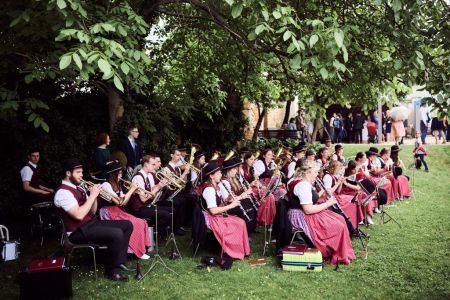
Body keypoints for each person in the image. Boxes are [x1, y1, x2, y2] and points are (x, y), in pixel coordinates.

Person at [54, 158, 133, 282]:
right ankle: (112, 271)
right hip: (76, 232)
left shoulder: (79, 188)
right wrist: (92, 196)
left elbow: (92, 211)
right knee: (116, 233)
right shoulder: (63, 192)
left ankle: (119, 262)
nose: (81, 175)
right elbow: (78, 215)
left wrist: (95, 197)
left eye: (81, 172)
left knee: (127, 225)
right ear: (68, 173)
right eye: (78, 172)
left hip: (90, 224)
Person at [287, 160, 355, 265]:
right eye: (315, 172)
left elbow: (310, 200)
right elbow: (308, 209)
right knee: (338, 225)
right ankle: (336, 252)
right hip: (301, 216)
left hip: (302, 212)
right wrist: (327, 204)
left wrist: (323, 198)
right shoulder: (303, 185)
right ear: (308, 172)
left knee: (339, 219)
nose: (317, 174)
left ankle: (341, 251)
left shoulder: (300, 181)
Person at [197, 162, 250, 260]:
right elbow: (213, 210)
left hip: (216, 216)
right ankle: (232, 251)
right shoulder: (209, 190)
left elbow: (218, 205)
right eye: (218, 173)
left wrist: (226, 200)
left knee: (241, 222)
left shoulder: (215, 187)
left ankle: (241, 250)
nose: (221, 175)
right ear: (211, 176)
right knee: (238, 224)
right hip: (211, 219)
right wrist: (231, 205)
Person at [99, 161, 151, 259]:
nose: (120, 175)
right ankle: (133, 251)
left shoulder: (118, 185)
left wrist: (132, 191)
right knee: (133, 223)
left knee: (141, 222)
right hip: (108, 212)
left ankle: (138, 250)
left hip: (117, 211)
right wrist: (131, 190)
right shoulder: (106, 185)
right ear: (112, 174)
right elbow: (119, 202)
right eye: (119, 173)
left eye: (121, 173)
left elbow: (124, 202)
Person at [129, 155, 172, 238]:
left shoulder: (149, 175)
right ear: (146, 164)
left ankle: (160, 234)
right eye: (153, 164)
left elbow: (153, 189)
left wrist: (162, 183)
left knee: (171, 210)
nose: (155, 166)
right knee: (166, 214)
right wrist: (158, 187)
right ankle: (155, 237)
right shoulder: (138, 177)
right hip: (139, 209)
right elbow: (143, 199)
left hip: (147, 205)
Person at [220, 158, 257, 234]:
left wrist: (245, 193)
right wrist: (244, 194)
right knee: (249, 208)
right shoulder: (224, 182)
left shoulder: (233, 179)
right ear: (228, 170)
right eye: (234, 169)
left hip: (234, 202)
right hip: (228, 206)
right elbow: (229, 200)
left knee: (252, 203)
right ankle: (246, 233)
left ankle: (251, 229)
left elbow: (236, 194)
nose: (236, 171)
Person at [322, 160, 359, 230]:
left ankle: (352, 225)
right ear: (333, 168)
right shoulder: (327, 177)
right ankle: (348, 226)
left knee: (353, 202)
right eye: (339, 169)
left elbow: (338, 191)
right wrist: (338, 183)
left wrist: (341, 182)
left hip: (336, 196)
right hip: (331, 199)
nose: (339, 171)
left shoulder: (333, 176)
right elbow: (328, 193)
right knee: (351, 205)